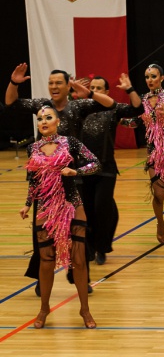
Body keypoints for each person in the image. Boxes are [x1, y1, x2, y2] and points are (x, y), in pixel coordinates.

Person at [6, 63, 117, 293]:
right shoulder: (42, 106)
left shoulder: (77, 106)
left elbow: (110, 104)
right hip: (44, 183)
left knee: (76, 232)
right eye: (51, 83)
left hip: (71, 181)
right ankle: (42, 279)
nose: (54, 86)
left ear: (68, 86)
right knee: (42, 233)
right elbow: (11, 103)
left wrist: (89, 93)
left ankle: (80, 277)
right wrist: (14, 82)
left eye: (59, 83)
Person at [19, 103, 101, 329]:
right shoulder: (32, 148)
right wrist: (27, 204)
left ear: (58, 121)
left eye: (48, 117)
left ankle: (85, 309)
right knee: (46, 260)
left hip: (71, 205)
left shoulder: (70, 142)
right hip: (46, 208)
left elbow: (95, 163)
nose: (43, 121)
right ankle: (44, 308)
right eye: (40, 118)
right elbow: (34, 181)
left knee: (78, 260)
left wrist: (77, 171)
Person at [120, 64, 164, 245]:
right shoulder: (142, 100)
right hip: (154, 152)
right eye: (147, 77)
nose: (150, 80)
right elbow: (135, 122)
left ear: (162, 78)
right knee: (158, 194)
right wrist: (117, 119)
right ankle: (160, 223)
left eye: (153, 76)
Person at [80, 75, 142, 265]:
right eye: (92, 88)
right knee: (87, 210)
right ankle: (89, 247)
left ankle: (102, 247)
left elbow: (137, 110)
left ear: (106, 92)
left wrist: (130, 89)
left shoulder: (113, 109)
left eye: (99, 88)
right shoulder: (80, 109)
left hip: (105, 169)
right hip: (83, 170)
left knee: (102, 208)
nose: (95, 91)